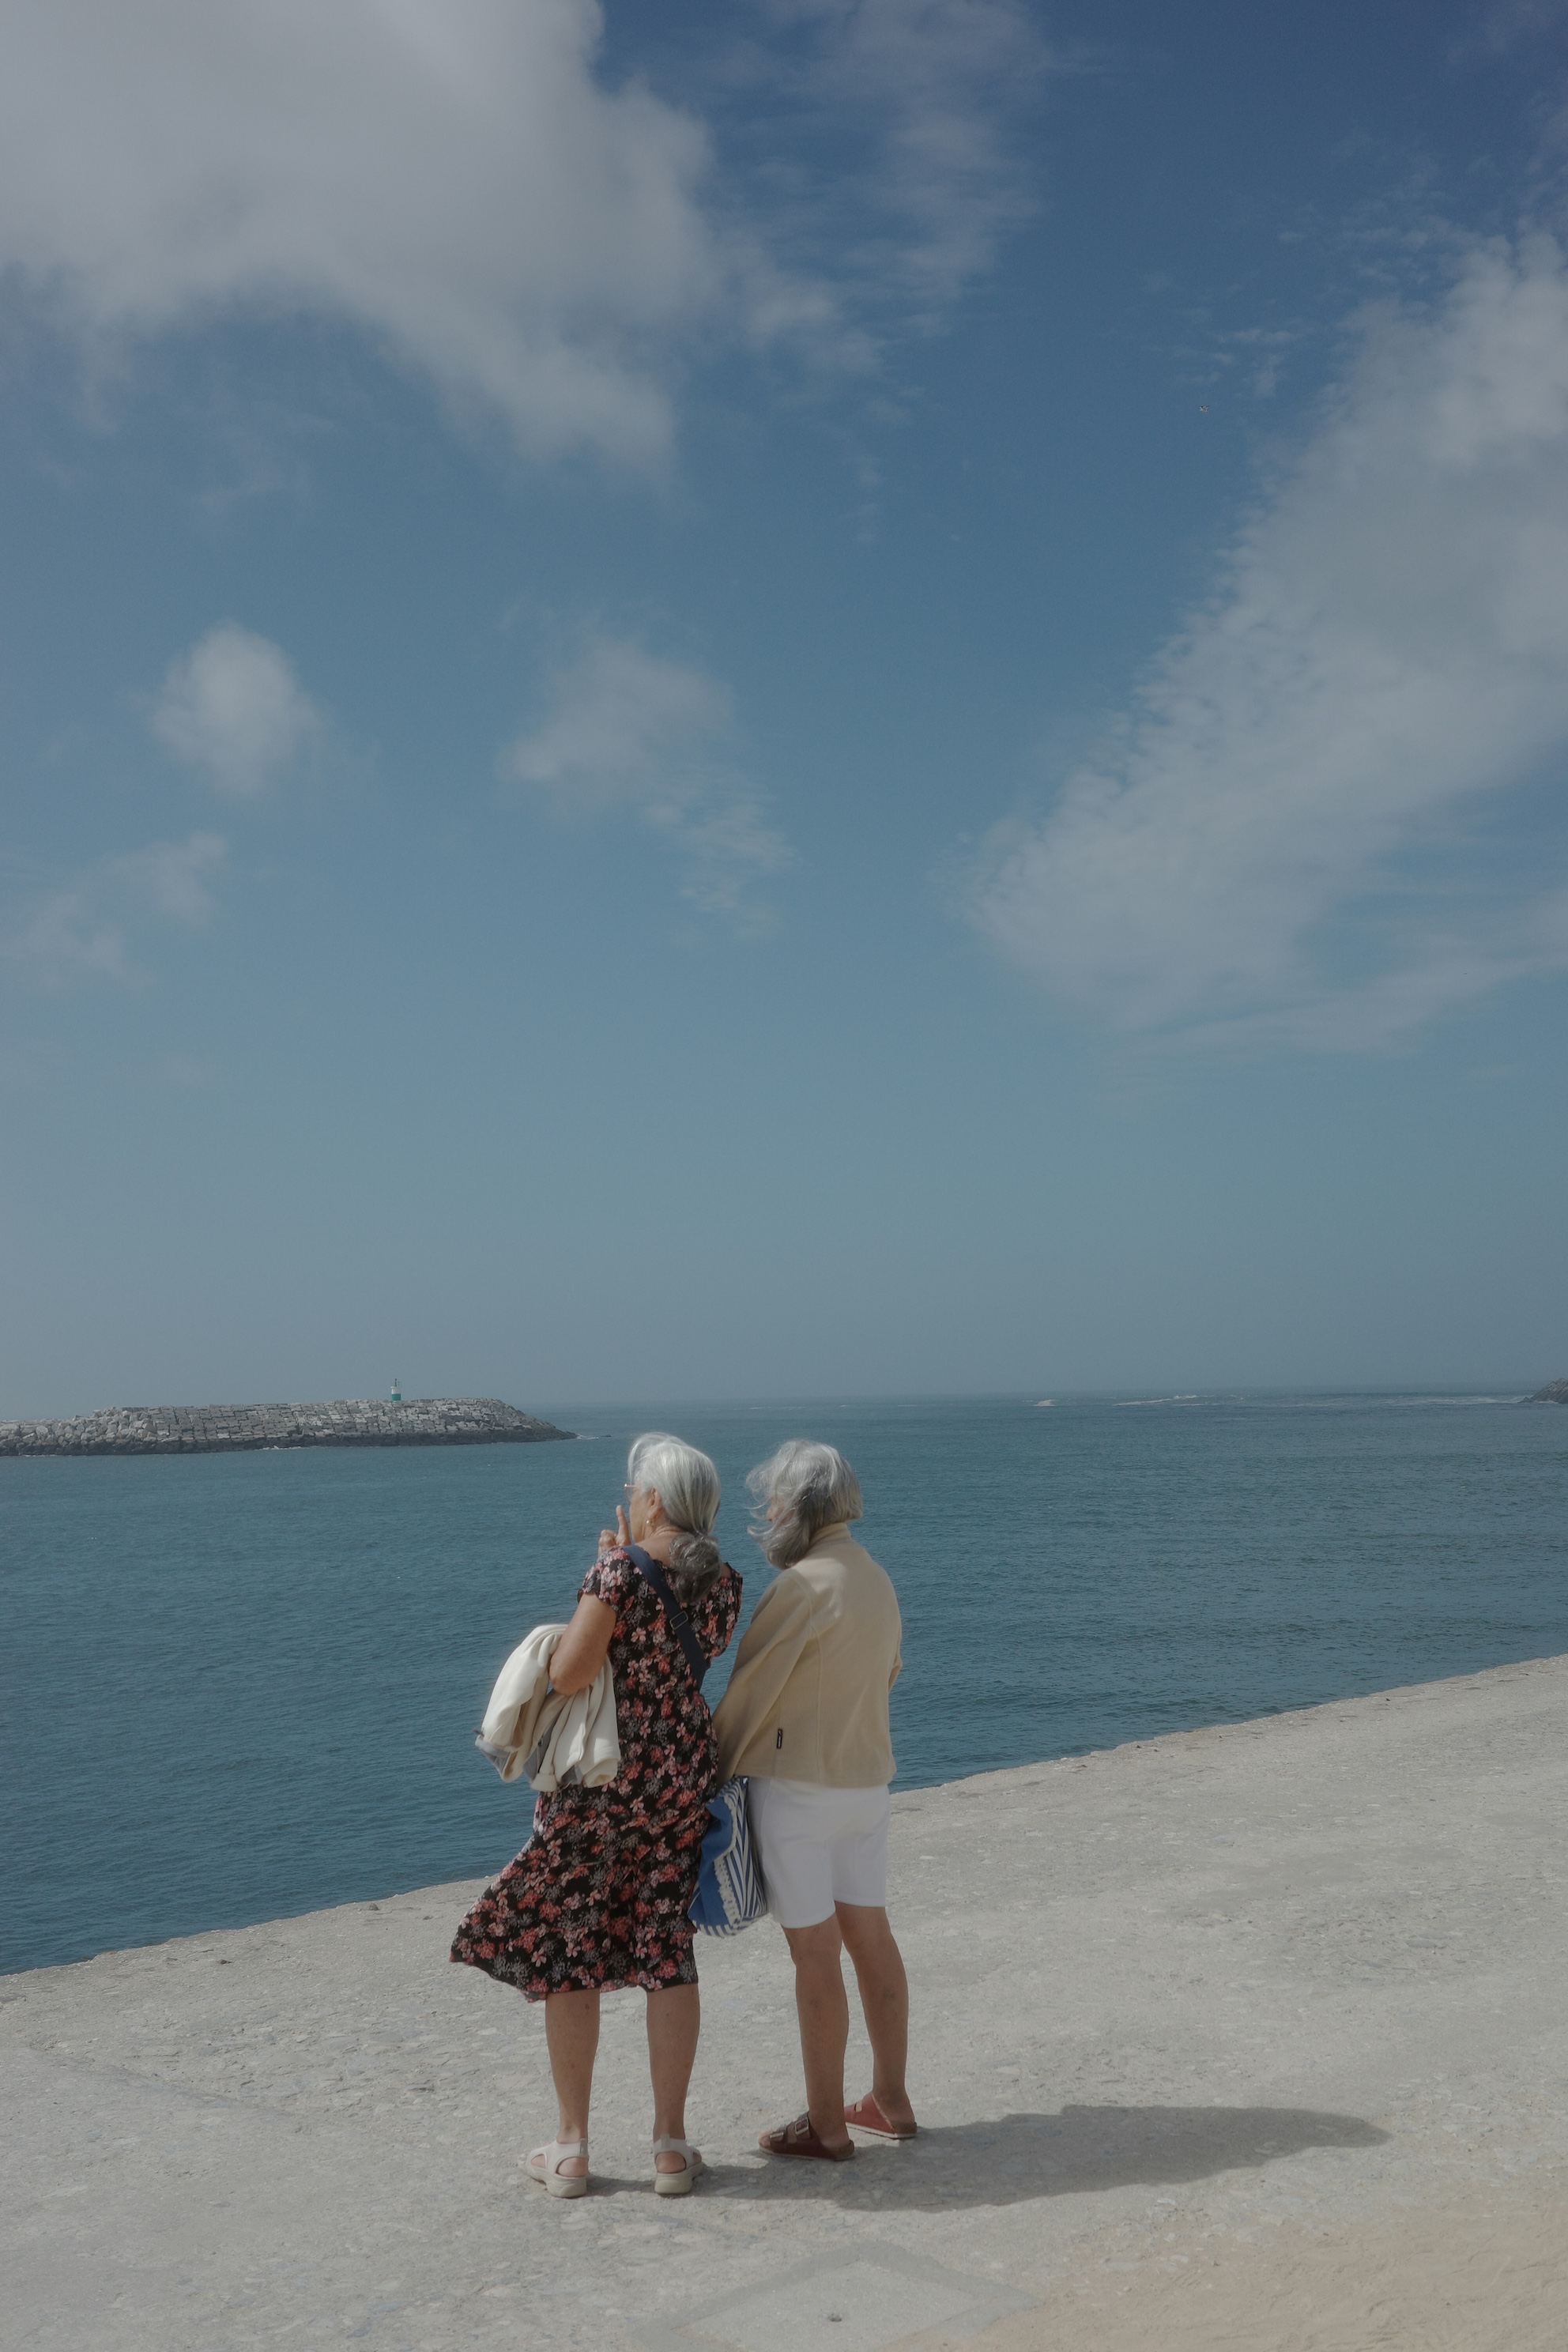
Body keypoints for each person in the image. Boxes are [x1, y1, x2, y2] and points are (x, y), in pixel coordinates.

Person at [450, 1433, 741, 2198]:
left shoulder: (615, 1574)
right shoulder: (727, 1583)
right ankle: (671, 2147)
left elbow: (572, 1670)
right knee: (665, 1950)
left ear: (650, 1499)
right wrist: (626, 1561)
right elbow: (669, 1637)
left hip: (597, 1787)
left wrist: (608, 1570)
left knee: (569, 1951)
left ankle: (573, 2148)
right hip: (677, 1786)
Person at [711, 1439, 914, 2161]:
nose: (766, 1515)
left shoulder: (798, 1589)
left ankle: (827, 2124)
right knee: (873, 1940)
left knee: (815, 1957)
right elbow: (888, 1673)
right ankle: (888, 2100)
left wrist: (701, 1778)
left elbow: (747, 1698)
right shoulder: (876, 1578)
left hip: (798, 1793)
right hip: (868, 1786)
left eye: (772, 1502)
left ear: (797, 1509)